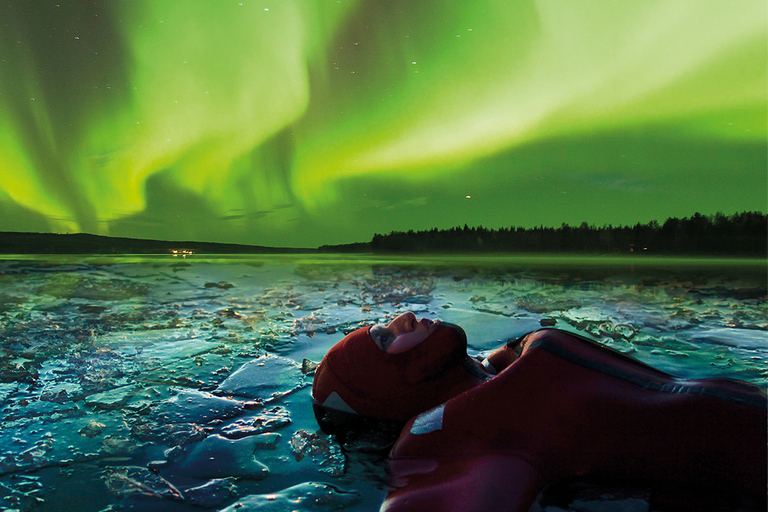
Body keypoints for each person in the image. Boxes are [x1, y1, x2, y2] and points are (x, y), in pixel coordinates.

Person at [312, 313, 767, 512]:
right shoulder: (453, 436)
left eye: (385, 324)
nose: (404, 319)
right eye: (385, 340)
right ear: (385, 392)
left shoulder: (494, 370)